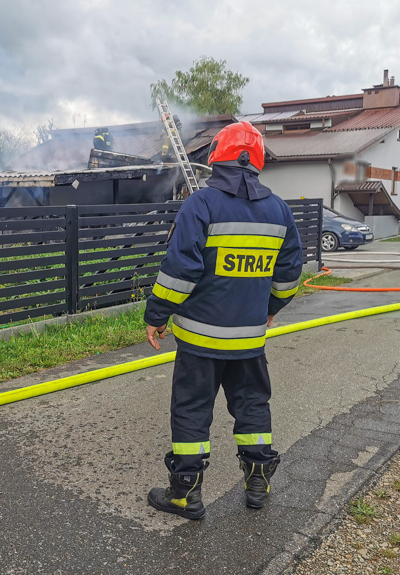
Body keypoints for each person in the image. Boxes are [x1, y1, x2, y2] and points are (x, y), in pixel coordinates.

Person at [143, 121, 303, 519]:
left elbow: (180, 271)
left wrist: (157, 315)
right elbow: (289, 277)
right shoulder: (279, 210)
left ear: (217, 156)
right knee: (252, 407)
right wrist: (270, 309)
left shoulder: (201, 204)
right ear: (256, 160)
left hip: (199, 342)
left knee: (192, 411)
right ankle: (257, 483)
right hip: (249, 341)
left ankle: (185, 494)